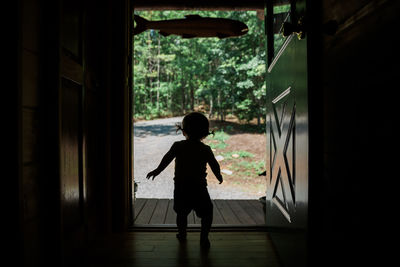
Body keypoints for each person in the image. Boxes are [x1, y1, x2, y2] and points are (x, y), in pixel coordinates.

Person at [146, 112, 223, 249]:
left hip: (181, 187)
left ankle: (182, 234)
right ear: (205, 134)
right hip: (199, 188)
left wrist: (157, 171)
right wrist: (218, 176)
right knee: (207, 213)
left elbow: (166, 159)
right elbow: (214, 164)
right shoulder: (205, 149)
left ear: (183, 132)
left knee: (181, 213)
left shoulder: (178, 146)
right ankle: (204, 239)